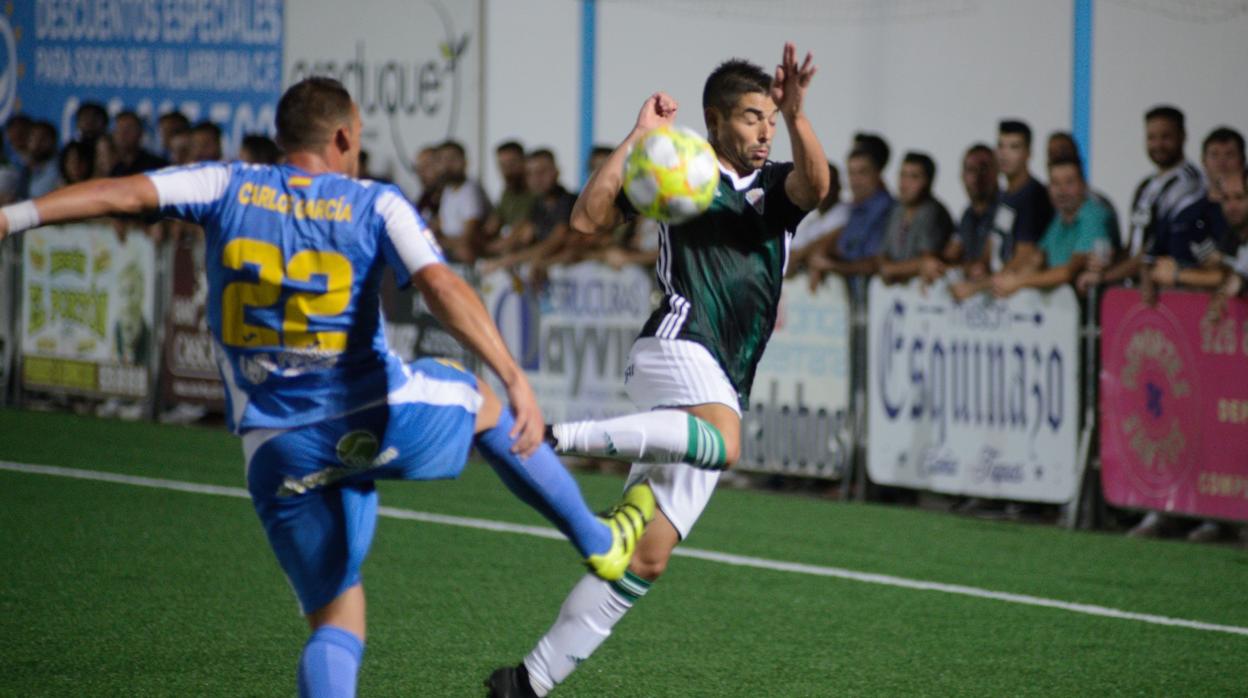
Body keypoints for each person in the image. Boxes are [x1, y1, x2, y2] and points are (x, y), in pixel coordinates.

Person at [0, 76, 654, 698]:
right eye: (359, 135)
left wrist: (15, 216)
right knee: (483, 403)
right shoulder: (373, 200)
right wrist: (515, 377)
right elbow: (442, 286)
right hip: (367, 412)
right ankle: (602, 545)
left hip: (273, 447)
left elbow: (118, 194)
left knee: (338, 617)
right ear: (342, 138)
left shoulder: (226, 183)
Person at [485, 43, 831, 697]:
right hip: (677, 347)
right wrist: (639, 136)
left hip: (723, 379)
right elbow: (588, 218)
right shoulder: (678, 172)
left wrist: (796, 114)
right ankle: (557, 438)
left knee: (646, 556)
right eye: (753, 116)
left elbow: (818, 186)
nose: (763, 130)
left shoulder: (774, 189)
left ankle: (525, 683)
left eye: (768, 117)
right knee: (725, 443)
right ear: (715, 119)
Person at [951, 119, 1053, 301]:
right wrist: (980, 266)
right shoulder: (1005, 195)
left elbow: (1024, 258)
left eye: (1014, 147)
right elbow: (995, 240)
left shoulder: (1033, 196)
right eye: (1001, 146)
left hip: (1020, 299)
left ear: (1028, 153)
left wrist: (976, 287)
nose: (1005, 155)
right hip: (998, 292)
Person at [989, 156, 1112, 297]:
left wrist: (1019, 282)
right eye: (1055, 183)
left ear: (1083, 184)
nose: (1062, 190)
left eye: (1069, 182)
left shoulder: (1093, 216)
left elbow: (1068, 272)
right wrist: (1007, 280)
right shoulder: (1059, 219)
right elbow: (1037, 259)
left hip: (1092, 308)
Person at [876, 151, 953, 284]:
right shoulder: (897, 209)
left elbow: (928, 261)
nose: (905, 183)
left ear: (928, 181)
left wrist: (891, 270)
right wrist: (887, 268)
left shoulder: (932, 212)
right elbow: (882, 253)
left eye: (914, 177)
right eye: (903, 175)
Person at [934, 143, 998, 281]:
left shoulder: (1005, 210)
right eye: (971, 170)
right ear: (962, 175)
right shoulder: (967, 214)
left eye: (984, 169)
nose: (977, 177)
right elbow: (950, 255)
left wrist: (959, 268)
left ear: (997, 171)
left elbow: (982, 266)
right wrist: (931, 263)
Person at [109, 111, 170, 177]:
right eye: (119, 129)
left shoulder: (157, 165)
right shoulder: (108, 164)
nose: (123, 134)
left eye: (129, 129)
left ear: (140, 133)